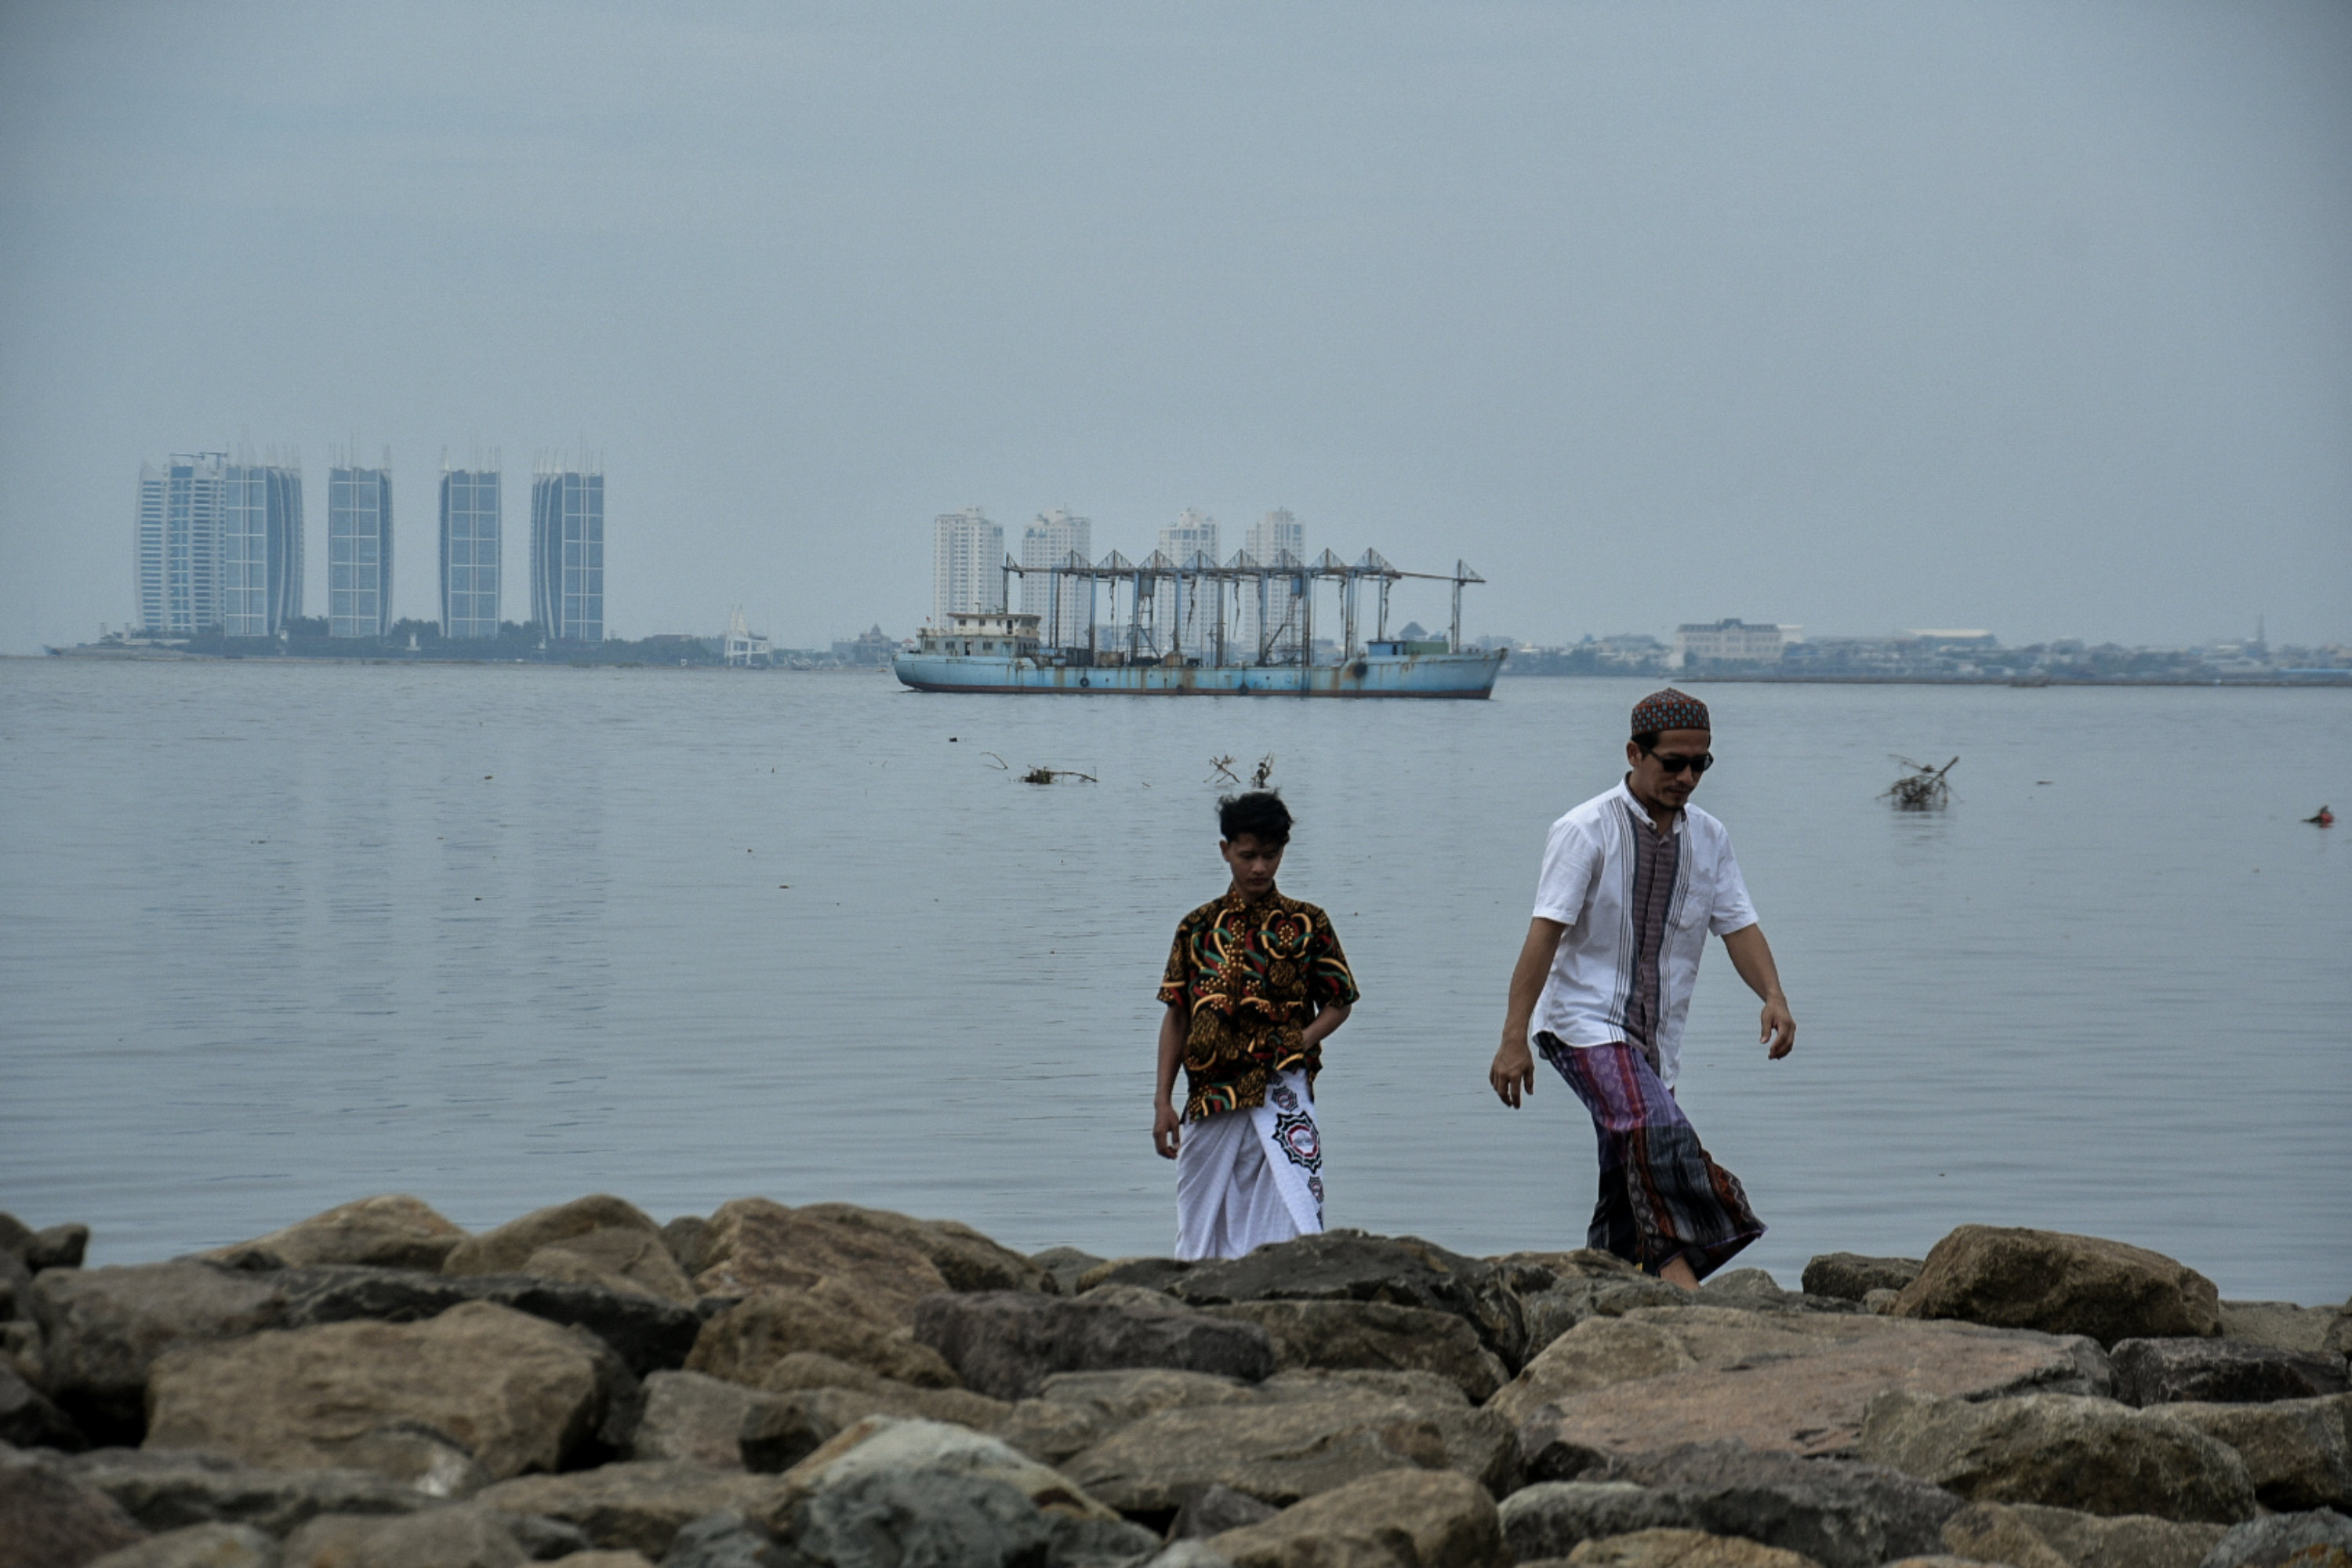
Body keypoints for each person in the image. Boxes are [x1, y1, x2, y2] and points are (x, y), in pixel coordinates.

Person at [1487, 688, 1794, 1287]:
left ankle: (1605, 1280)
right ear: (1634, 753)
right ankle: (1682, 1283)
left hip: (1655, 1036)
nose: (1686, 777)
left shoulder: (1709, 838)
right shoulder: (1584, 830)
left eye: (1699, 764)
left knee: (1628, 1174)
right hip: (1582, 1022)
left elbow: (1738, 925)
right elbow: (1544, 934)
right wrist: (1512, 1038)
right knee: (1656, 1129)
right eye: (1672, 763)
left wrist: (1773, 995)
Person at [1154, 790, 1358, 1261]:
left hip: (1281, 1089)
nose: (1260, 868)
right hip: (1210, 1095)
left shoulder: (1308, 924)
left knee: (1295, 1216)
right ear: (1225, 850)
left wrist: (1299, 1042)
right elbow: (1178, 1014)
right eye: (1248, 856)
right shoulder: (1197, 928)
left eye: (1270, 855)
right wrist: (1162, 1101)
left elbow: (1339, 1001)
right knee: (1198, 1227)